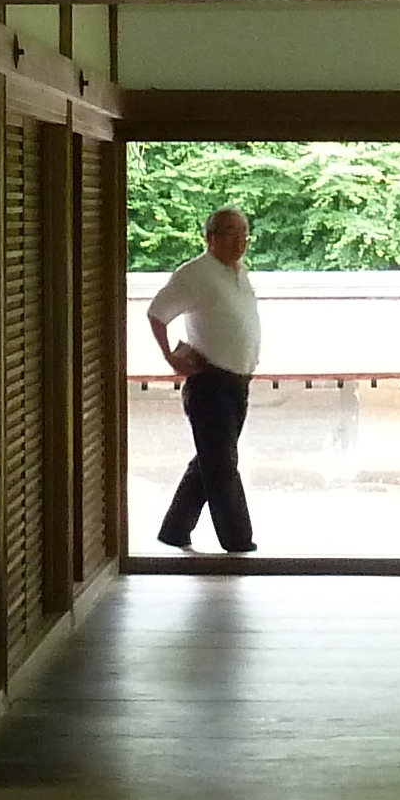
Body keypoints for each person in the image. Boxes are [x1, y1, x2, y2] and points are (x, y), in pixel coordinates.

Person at [147, 207, 261, 554]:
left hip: (237, 382)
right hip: (210, 382)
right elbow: (157, 312)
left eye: (244, 234)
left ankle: (174, 530)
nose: (239, 241)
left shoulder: (238, 273)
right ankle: (239, 542)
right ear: (210, 237)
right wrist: (170, 356)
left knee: (211, 460)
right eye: (230, 232)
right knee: (222, 465)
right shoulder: (195, 274)